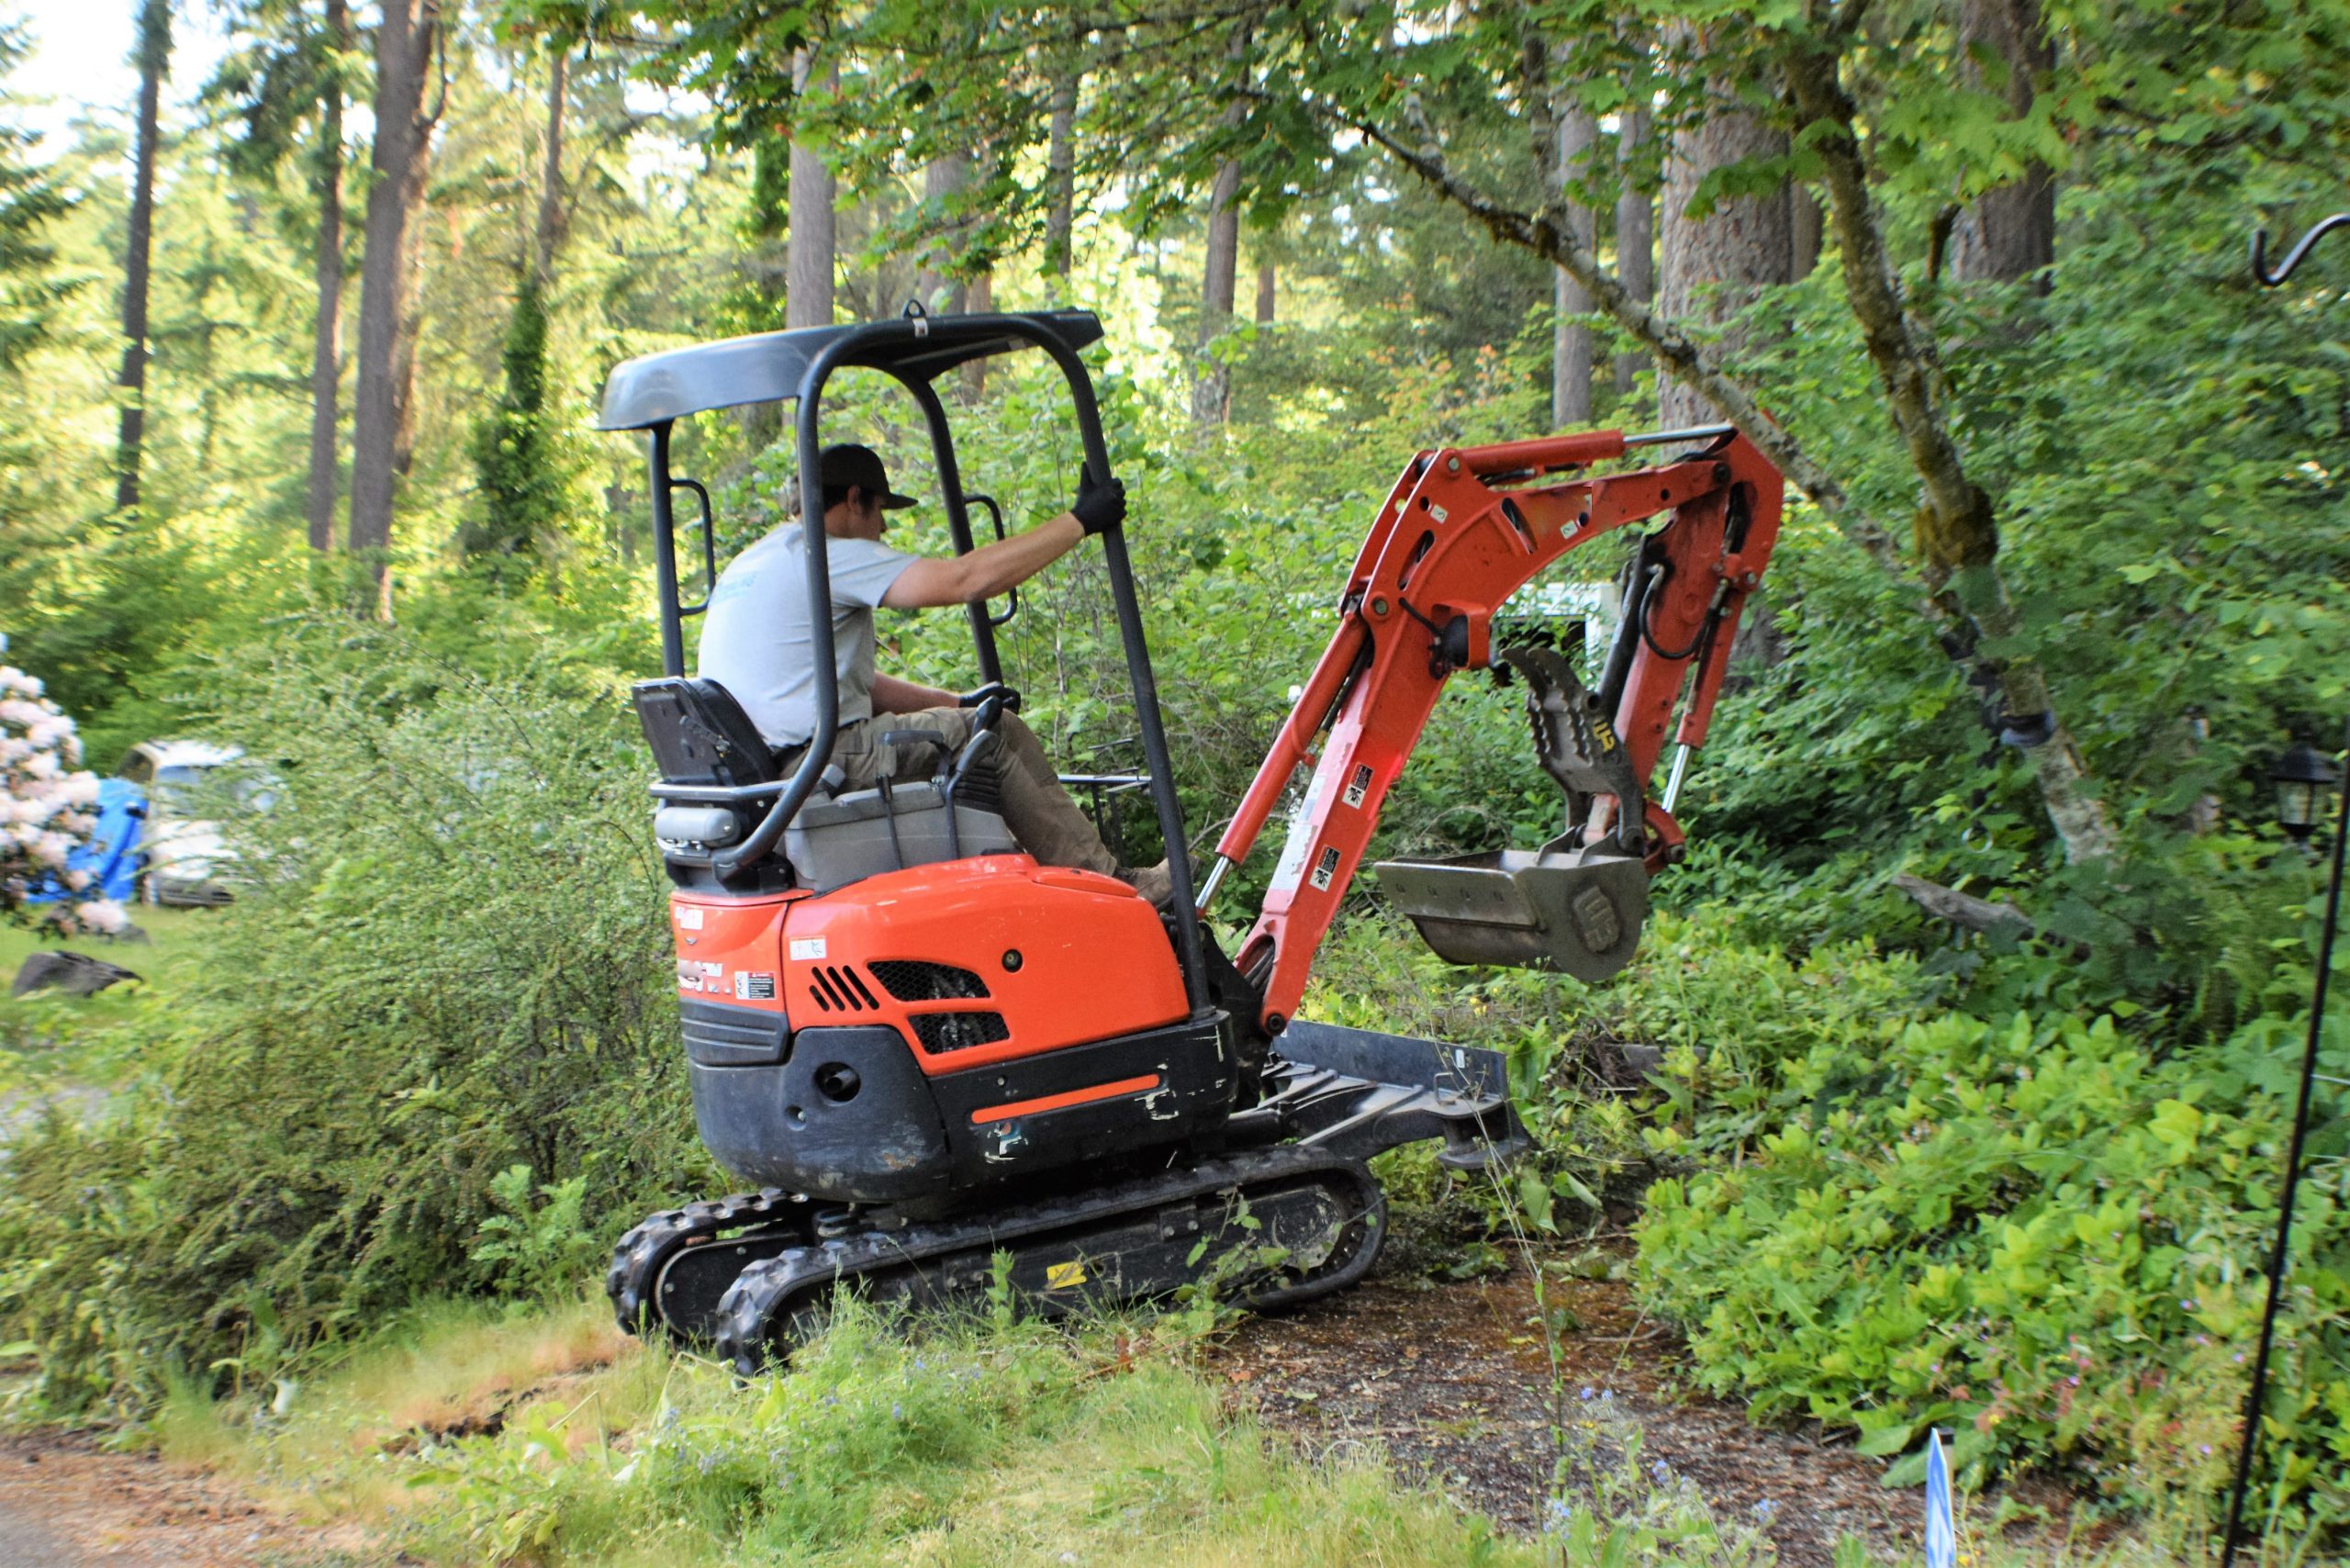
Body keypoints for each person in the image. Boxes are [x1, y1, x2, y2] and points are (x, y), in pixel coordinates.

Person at [697, 442, 1170, 904]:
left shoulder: (756, 561)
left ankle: (1047, 883)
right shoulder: (825, 553)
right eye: (879, 510)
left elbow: (856, 689)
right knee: (995, 735)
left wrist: (959, 704)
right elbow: (966, 579)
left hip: (770, 769)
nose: (882, 527)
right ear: (854, 499)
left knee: (975, 723)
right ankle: (1109, 890)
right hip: (818, 762)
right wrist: (1080, 521)